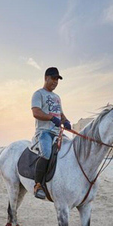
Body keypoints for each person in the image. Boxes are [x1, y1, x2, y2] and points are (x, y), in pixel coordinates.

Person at [31, 67, 71, 199]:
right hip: (44, 132)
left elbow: (60, 114)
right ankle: (38, 185)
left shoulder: (57, 97)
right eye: (53, 78)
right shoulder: (39, 94)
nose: (55, 82)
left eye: (57, 79)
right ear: (46, 78)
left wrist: (65, 121)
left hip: (57, 132)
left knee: (71, 149)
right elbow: (36, 112)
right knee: (47, 153)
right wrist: (50, 118)